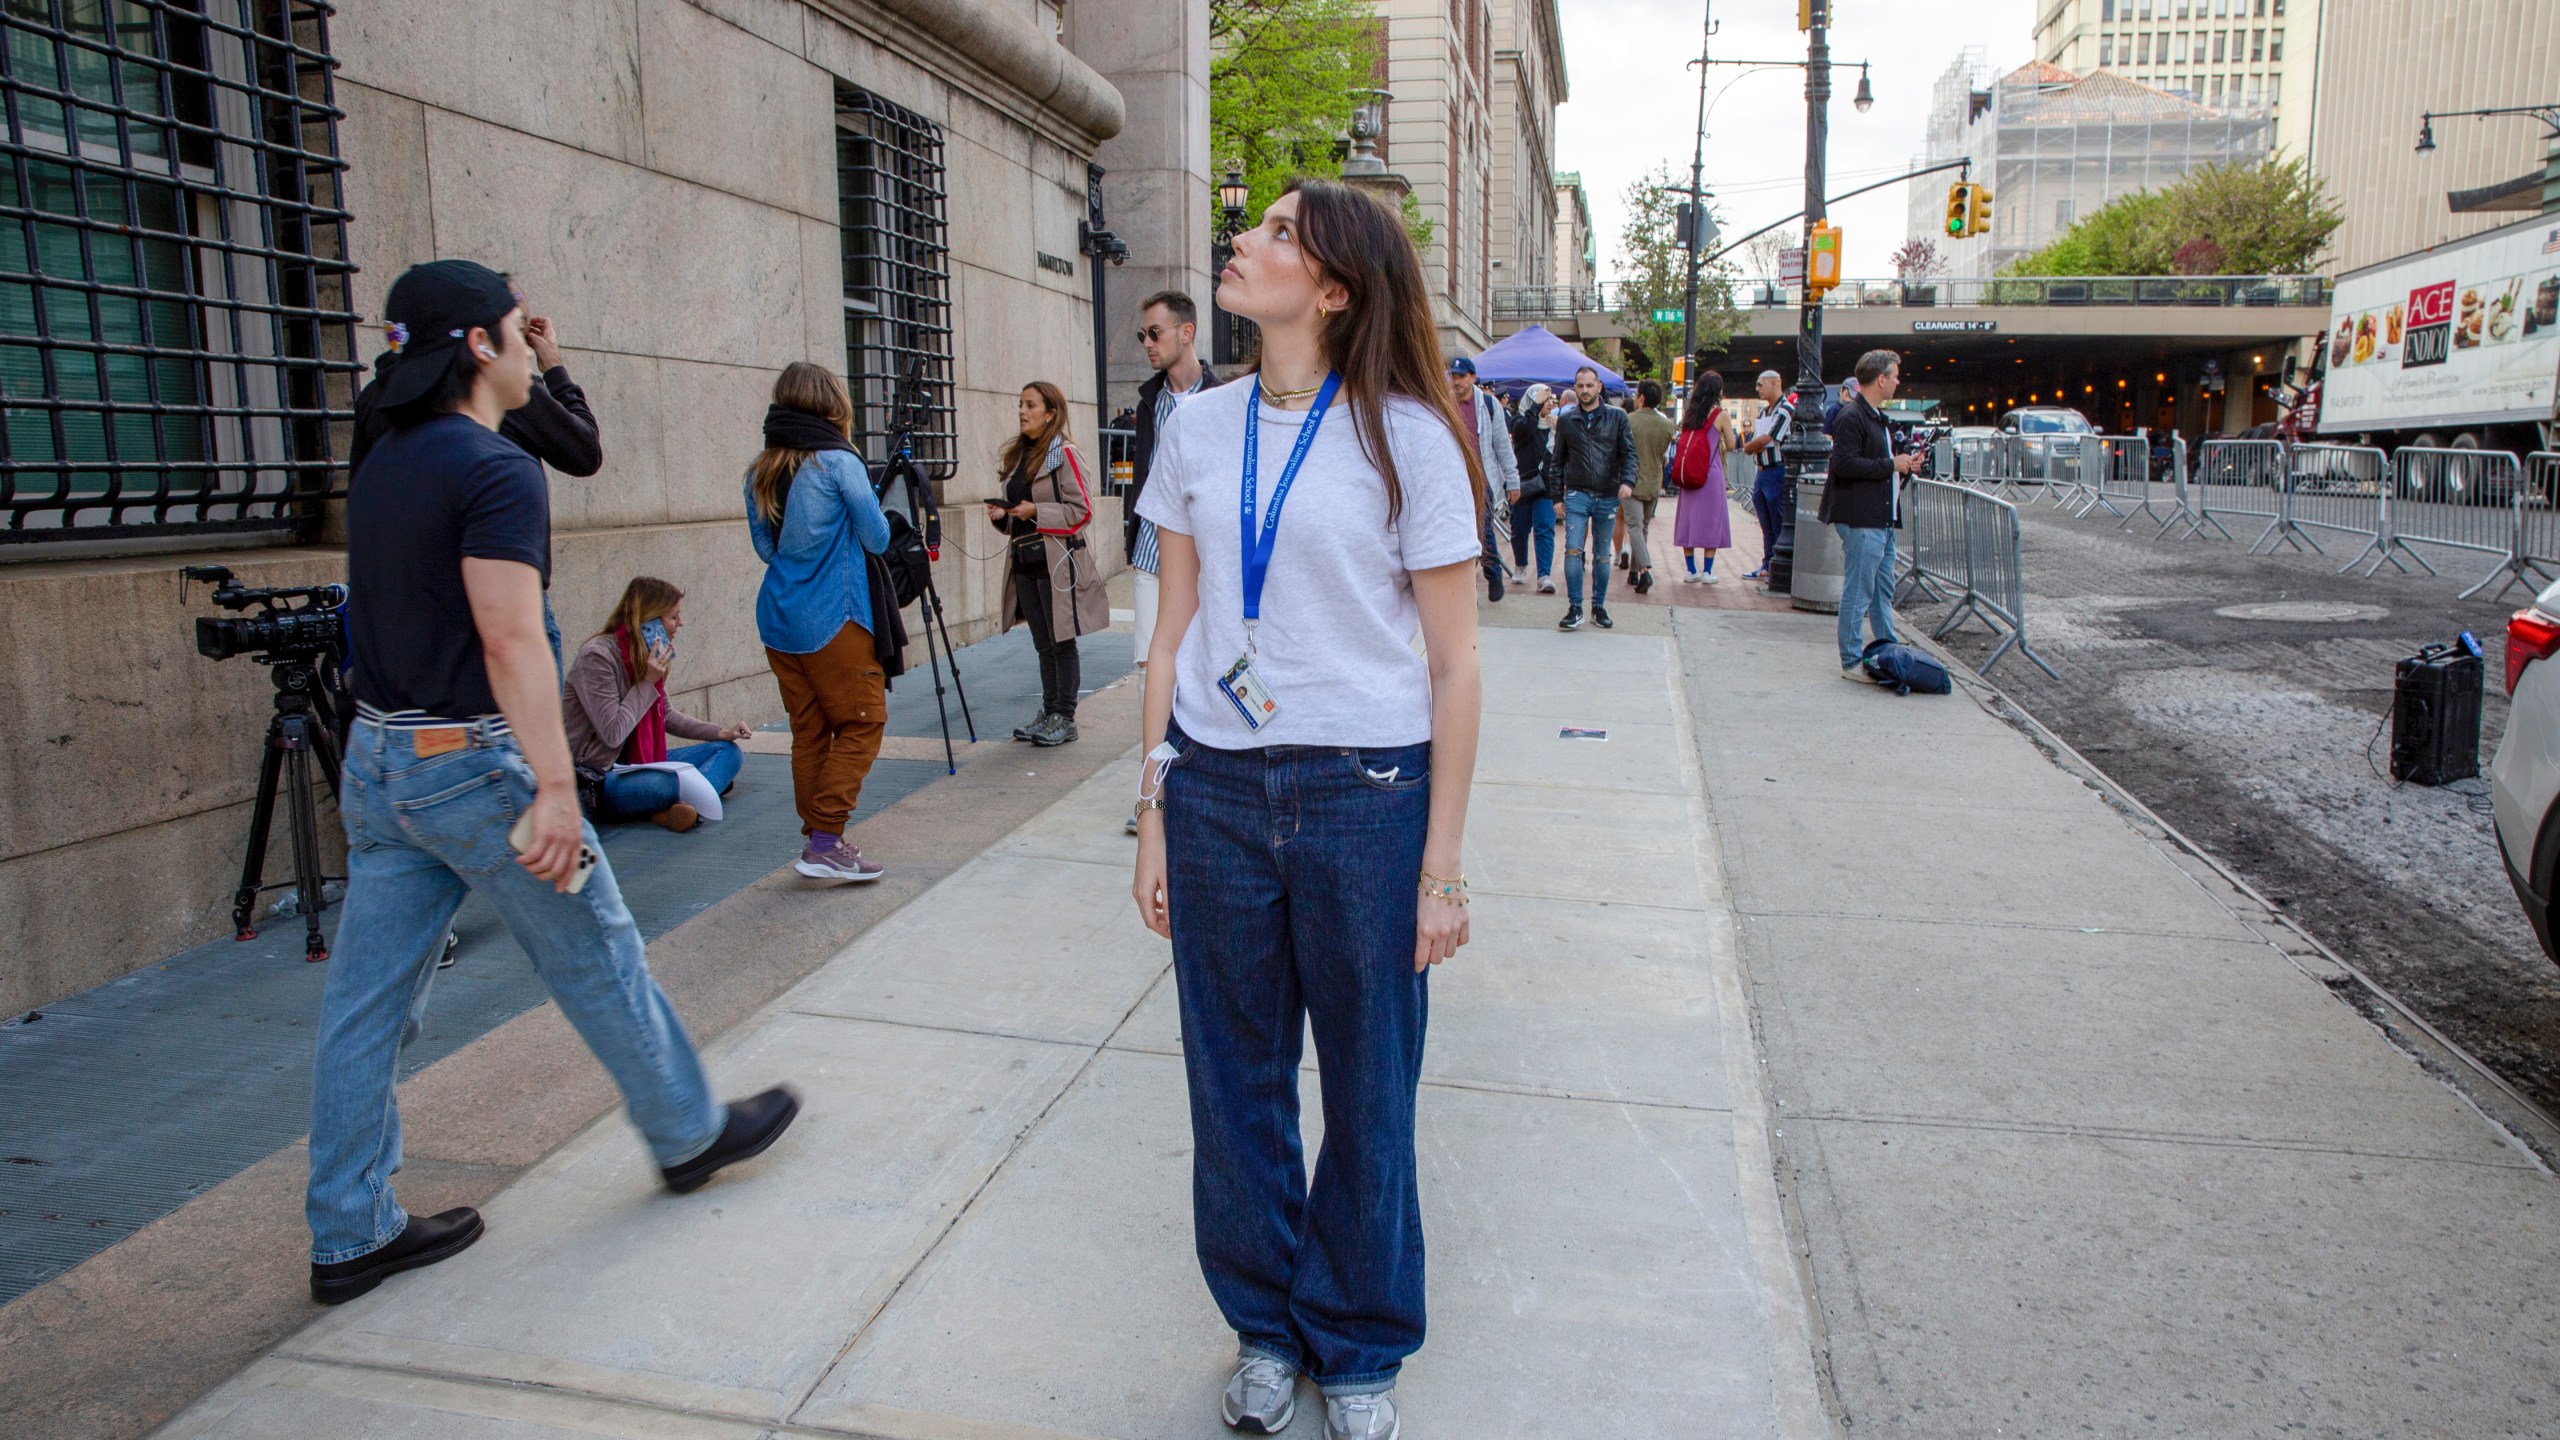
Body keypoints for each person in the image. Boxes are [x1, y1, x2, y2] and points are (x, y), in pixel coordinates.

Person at [315, 260, 796, 1306]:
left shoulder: (385, 453)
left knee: (366, 1006)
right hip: (472, 765)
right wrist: (555, 786)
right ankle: (687, 1133)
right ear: (480, 348)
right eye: (516, 333)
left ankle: (349, 1228)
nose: (534, 348)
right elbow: (506, 636)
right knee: (597, 952)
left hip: (379, 761)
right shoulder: (491, 470)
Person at [1130, 178, 1483, 1440]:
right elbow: (1169, 635)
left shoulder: (1411, 437)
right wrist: (1155, 805)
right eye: (1256, 225)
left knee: (1372, 1081)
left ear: (1332, 287)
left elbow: (1454, 667)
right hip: (1218, 785)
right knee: (1234, 1082)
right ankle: (1266, 1327)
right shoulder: (1195, 428)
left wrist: (1441, 867)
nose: (1243, 240)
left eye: (1278, 233)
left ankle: (1363, 1339)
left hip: (1366, 792)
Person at [351, 296, 603, 674]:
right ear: (481, 340)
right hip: (498, 611)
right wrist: (553, 368)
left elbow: (360, 503)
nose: (522, 351)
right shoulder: (502, 395)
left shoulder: (377, 395)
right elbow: (584, 452)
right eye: (517, 334)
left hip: (404, 611)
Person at [747, 361, 895, 882]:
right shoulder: (838, 461)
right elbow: (877, 538)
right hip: (835, 616)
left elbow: (766, 547)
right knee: (862, 722)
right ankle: (826, 841)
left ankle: (819, 841)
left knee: (808, 731)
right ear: (832, 403)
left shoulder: (761, 468)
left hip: (779, 617)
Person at [562, 576, 751, 832]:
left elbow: (669, 717)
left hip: (640, 764)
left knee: (728, 752)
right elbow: (613, 733)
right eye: (673, 617)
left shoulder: (644, 653)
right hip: (598, 775)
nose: (680, 623)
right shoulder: (597, 657)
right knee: (664, 785)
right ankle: (684, 799)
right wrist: (647, 683)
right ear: (649, 620)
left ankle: (675, 808)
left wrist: (721, 732)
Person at [988, 380, 1109, 746]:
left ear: (1050, 413)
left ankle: (1065, 717)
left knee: (1062, 642)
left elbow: (1082, 510)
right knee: (1043, 644)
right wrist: (1002, 515)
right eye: (1020, 405)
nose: (1023, 412)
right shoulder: (1020, 456)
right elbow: (1017, 516)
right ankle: (1049, 711)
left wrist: (1036, 510)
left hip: (1056, 562)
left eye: (1031, 405)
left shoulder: (1065, 454)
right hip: (1024, 561)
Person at [1824, 349, 1918, 680]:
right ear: (1880, 379)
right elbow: (1844, 464)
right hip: (1864, 520)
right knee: (1861, 591)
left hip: (1879, 519)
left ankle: (1886, 650)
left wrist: (1900, 468)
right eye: (1894, 375)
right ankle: (1851, 660)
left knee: (1880, 591)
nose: (1897, 381)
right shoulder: (1854, 417)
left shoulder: (1871, 417)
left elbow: (1861, 464)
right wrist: (1892, 465)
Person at [1549, 363, 1636, 630]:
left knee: (1602, 553)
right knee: (1573, 549)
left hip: (1608, 493)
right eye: (1580, 386)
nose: (1585, 390)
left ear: (1599, 387)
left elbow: (1629, 454)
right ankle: (1575, 607)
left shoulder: (1617, 417)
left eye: (1589, 385)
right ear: (1574, 389)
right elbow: (1557, 461)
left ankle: (1598, 606)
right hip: (1577, 492)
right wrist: (1557, 497)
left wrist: (1627, 481)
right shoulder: (1566, 420)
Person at [1447, 355, 1519, 603]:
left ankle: (1493, 572)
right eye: (1454, 376)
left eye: (1462, 376)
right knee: (1459, 533)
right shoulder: (1444, 403)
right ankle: (1467, 586)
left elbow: (1502, 446)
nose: (1457, 381)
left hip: (1482, 479)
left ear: (1473, 377)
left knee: (1483, 530)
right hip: (1453, 481)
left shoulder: (1488, 405)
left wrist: (1513, 481)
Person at [1670, 371, 1736, 582]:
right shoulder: (1721, 415)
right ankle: (1708, 571)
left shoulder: (1690, 414)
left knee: (1688, 519)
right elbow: (1733, 444)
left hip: (1689, 473)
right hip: (1711, 473)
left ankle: (1691, 570)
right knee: (1711, 520)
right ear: (1718, 391)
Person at [1620, 378, 1675, 593]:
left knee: (1633, 527)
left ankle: (1644, 570)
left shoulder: (1627, 421)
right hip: (1653, 481)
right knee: (1643, 528)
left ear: (1641, 397)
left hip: (1630, 481)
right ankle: (1634, 572)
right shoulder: (1667, 425)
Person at [1740, 370, 1792, 580]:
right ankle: (1767, 563)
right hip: (1762, 472)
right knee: (1765, 521)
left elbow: (1767, 439)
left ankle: (1776, 564)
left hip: (1776, 471)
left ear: (1775, 383)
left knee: (1776, 519)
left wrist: (1750, 445)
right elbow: (1761, 441)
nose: (1757, 389)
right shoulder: (1764, 413)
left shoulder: (1785, 410)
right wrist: (1754, 445)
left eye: (1761, 385)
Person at [1507, 384, 1557, 590]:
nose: (1548, 405)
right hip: (1524, 484)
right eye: (1544, 401)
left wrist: (1559, 430)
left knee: (1545, 528)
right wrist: (1535, 407)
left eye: (1550, 401)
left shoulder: (1555, 426)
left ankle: (1544, 575)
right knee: (1519, 528)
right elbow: (1522, 431)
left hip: (1546, 485)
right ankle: (1520, 565)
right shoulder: (1521, 421)